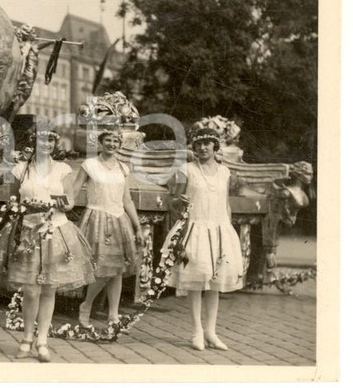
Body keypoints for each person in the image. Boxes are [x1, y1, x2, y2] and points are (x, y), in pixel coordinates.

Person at [0, 130, 95, 362]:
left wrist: (58, 204)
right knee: (30, 289)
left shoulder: (63, 169)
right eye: (42, 139)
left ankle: (42, 341)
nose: (47, 144)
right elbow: (12, 200)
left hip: (55, 229)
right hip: (28, 231)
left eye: (51, 140)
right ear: (34, 141)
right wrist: (24, 207)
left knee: (49, 287)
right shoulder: (20, 169)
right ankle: (26, 339)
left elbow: (70, 201)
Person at [163, 127, 244, 351]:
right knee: (197, 279)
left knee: (215, 282)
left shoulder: (225, 172)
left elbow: (226, 203)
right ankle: (197, 331)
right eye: (198, 144)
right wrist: (178, 202)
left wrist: (228, 231)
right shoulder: (185, 169)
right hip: (195, 229)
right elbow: (172, 201)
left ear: (215, 146)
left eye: (207, 143)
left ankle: (211, 331)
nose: (202, 147)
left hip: (219, 229)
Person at [73, 128, 144, 329]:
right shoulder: (90, 165)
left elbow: (127, 199)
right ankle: (86, 305)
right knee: (103, 270)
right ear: (101, 142)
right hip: (96, 219)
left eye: (115, 141)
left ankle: (113, 315)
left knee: (117, 270)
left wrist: (137, 227)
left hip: (119, 219)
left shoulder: (123, 168)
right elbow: (75, 188)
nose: (112, 144)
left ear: (120, 144)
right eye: (108, 140)